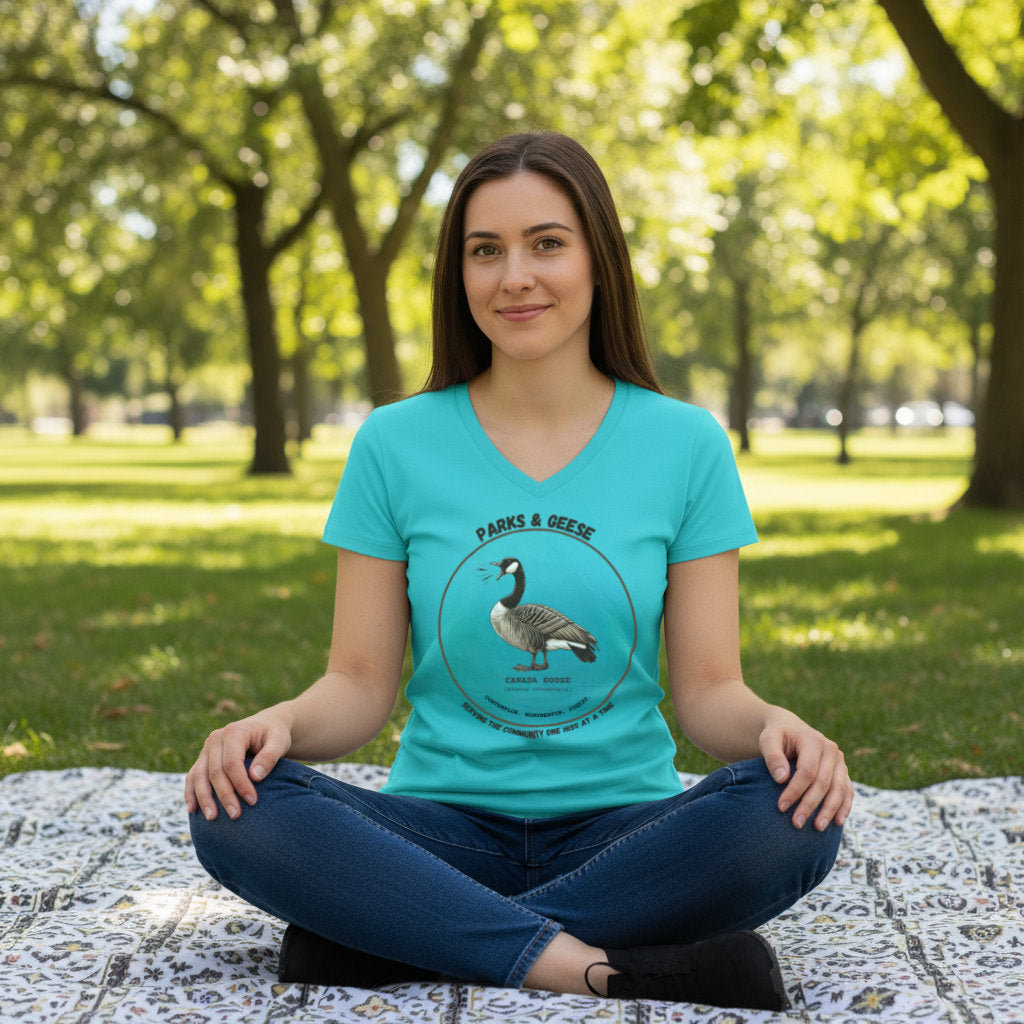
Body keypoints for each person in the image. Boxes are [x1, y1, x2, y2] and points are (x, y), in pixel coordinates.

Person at [186, 132, 853, 1010]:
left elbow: (707, 692)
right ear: (457, 275)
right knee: (236, 806)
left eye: (546, 243)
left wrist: (776, 726)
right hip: (438, 828)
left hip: (628, 831)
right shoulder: (394, 443)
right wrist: (272, 726)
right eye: (484, 251)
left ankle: (397, 936)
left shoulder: (685, 445)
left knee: (789, 810)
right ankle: (588, 963)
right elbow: (356, 683)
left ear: (598, 258)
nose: (515, 277)